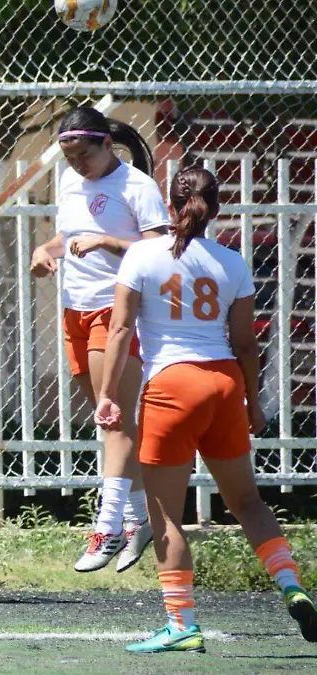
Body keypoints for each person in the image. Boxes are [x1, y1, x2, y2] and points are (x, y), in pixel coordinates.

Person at [95, 166, 317, 653]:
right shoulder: (232, 262)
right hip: (223, 384)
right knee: (249, 503)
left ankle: (181, 625)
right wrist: (253, 401)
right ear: (215, 209)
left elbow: (119, 329)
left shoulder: (142, 256)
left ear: (171, 206)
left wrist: (108, 394)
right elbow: (245, 344)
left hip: (172, 386)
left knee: (164, 515)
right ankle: (290, 585)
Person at [30, 106, 170, 573]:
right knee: (110, 419)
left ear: (108, 145)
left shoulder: (137, 186)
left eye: (84, 156)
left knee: (113, 420)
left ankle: (107, 528)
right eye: (69, 158)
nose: (78, 166)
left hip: (118, 309)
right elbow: (67, 238)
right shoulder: (71, 182)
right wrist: (42, 251)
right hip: (76, 307)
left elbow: (162, 251)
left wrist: (110, 244)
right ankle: (139, 518)